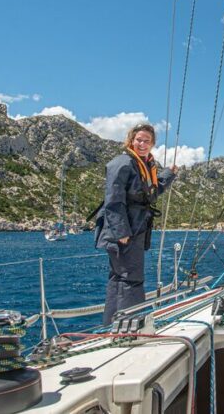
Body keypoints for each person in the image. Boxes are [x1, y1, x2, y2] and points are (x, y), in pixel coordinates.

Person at [95, 123, 176, 324]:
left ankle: (113, 326)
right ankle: (129, 326)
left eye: (147, 141)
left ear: (152, 144)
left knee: (119, 278)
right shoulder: (122, 163)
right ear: (131, 140)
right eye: (139, 139)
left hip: (135, 229)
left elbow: (150, 192)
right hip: (124, 231)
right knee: (131, 278)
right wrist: (122, 232)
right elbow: (113, 200)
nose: (142, 144)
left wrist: (169, 174)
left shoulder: (145, 165)